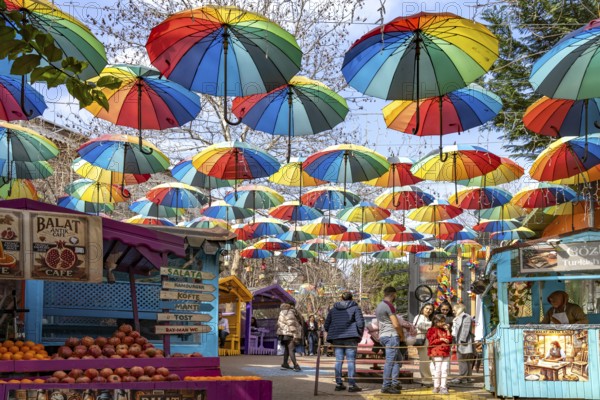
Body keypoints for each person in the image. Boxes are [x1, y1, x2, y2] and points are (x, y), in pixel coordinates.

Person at [324, 292, 365, 393]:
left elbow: (326, 325)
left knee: (339, 360)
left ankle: (338, 384)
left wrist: (334, 332)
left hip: (337, 338)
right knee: (351, 360)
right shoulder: (356, 308)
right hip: (351, 337)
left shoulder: (333, 310)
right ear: (351, 298)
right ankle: (352, 385)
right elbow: (360, 323)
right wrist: (358, 334)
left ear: (341, 298)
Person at [376, 286, 405, 395]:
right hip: (391, 336)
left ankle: (395, 382)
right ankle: (386, 386)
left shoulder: (379, 306)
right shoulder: (389, 306)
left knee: (397, 359)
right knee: (390, 362)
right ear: (393, 294)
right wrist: (401, 335)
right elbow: (396, 324)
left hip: (383, 336)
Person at [427, 314, 453, 395]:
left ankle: (443, 386)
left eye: (443, 321)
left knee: (444, 369)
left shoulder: (445, 330)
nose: (443, 323)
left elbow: (450, 339)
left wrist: (448, 330)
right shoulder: (431, 330)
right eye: (441, 322)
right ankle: (436, 386)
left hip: (446, 352)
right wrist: (441, 339)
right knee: (437, 370)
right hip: (436, 351)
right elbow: (431, 341)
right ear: (435, 322)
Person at [450, 303, 474, 384]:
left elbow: (465, 330)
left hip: (464, 342)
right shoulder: (458, 317)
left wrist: (462, 341)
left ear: (458, 309)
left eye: (454, 310)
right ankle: (466, 378)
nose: (453, 312)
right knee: (465, 360)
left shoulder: (466, 316)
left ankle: (462, 377)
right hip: (460, 341)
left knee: (462, 360)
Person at [276, 302, 302, 372]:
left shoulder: (282, 312)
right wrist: (295, 335)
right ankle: (296, 365)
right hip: (289, 333)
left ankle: (285, 364)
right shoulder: (290, 312)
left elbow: (279, 323)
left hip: (283, 333)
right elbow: (291, 324)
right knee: (291, 349)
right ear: (291, 306)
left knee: (287, 349)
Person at [413, 303, 434, 386]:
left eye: (430, 309)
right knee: (424, 360)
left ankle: (428, 379)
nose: (428, 310)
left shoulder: (428, 318)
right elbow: (421, 326)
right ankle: (426, 380)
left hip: (428, 340)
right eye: (427, 308)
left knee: (427, 360)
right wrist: (433, 324)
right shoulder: (419, 317)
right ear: (422, 309)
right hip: (422, 340)